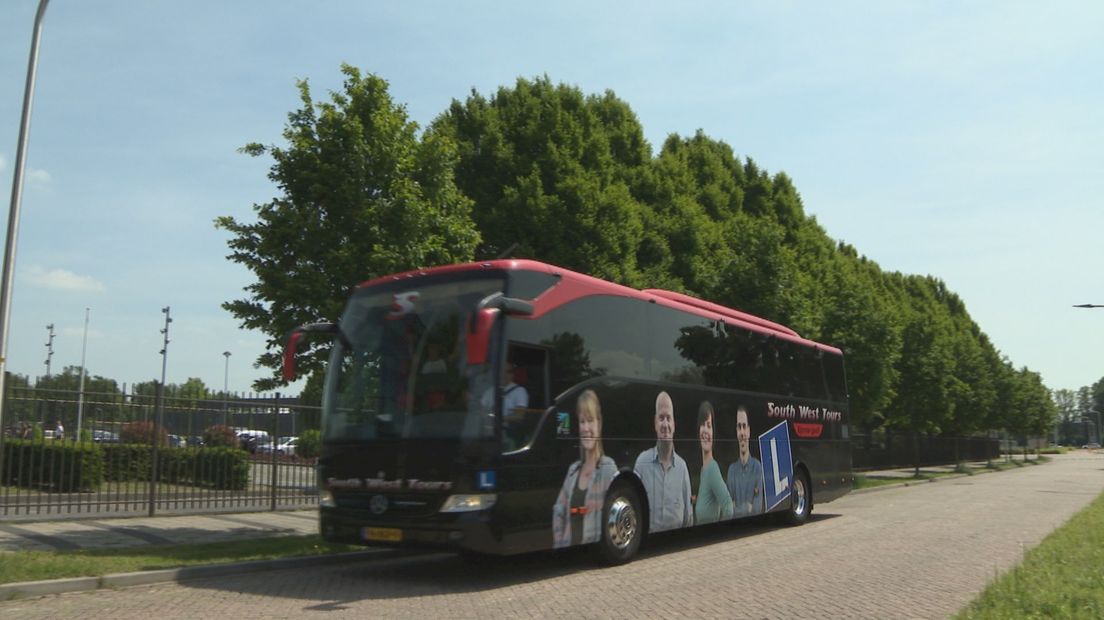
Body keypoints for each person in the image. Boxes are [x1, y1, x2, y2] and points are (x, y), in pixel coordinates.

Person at [552, 390, 618, 548]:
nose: (586, 428)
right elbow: (558, 512)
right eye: (582, 421)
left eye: (590, 420)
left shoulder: (608, 469)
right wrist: (560, 544)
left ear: (599, 424)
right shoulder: (573, 471)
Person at [634, 391, 693, 532]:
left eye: (668, 418)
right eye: (661, 418)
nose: (665, 424)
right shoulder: (642, 463)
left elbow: (688, 518)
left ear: (674, 424)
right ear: (655, 423)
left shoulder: (682, 467)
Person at [694, 401, 733, 524]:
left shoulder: (712, 468)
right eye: (703, 424)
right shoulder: (703, 470)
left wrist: (721, 533)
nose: (705, 430)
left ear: (713, 433)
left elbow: (727, 505)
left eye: (709, 425)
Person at [727, 406, 764, 516]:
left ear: (749, 431)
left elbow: (757, 509)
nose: (742, 432)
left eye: (744, 426)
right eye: (739, 427)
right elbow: (728, 509)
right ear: (736, 431)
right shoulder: (731, 470)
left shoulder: (757, 467)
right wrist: (747, 507)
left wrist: (737, 508)